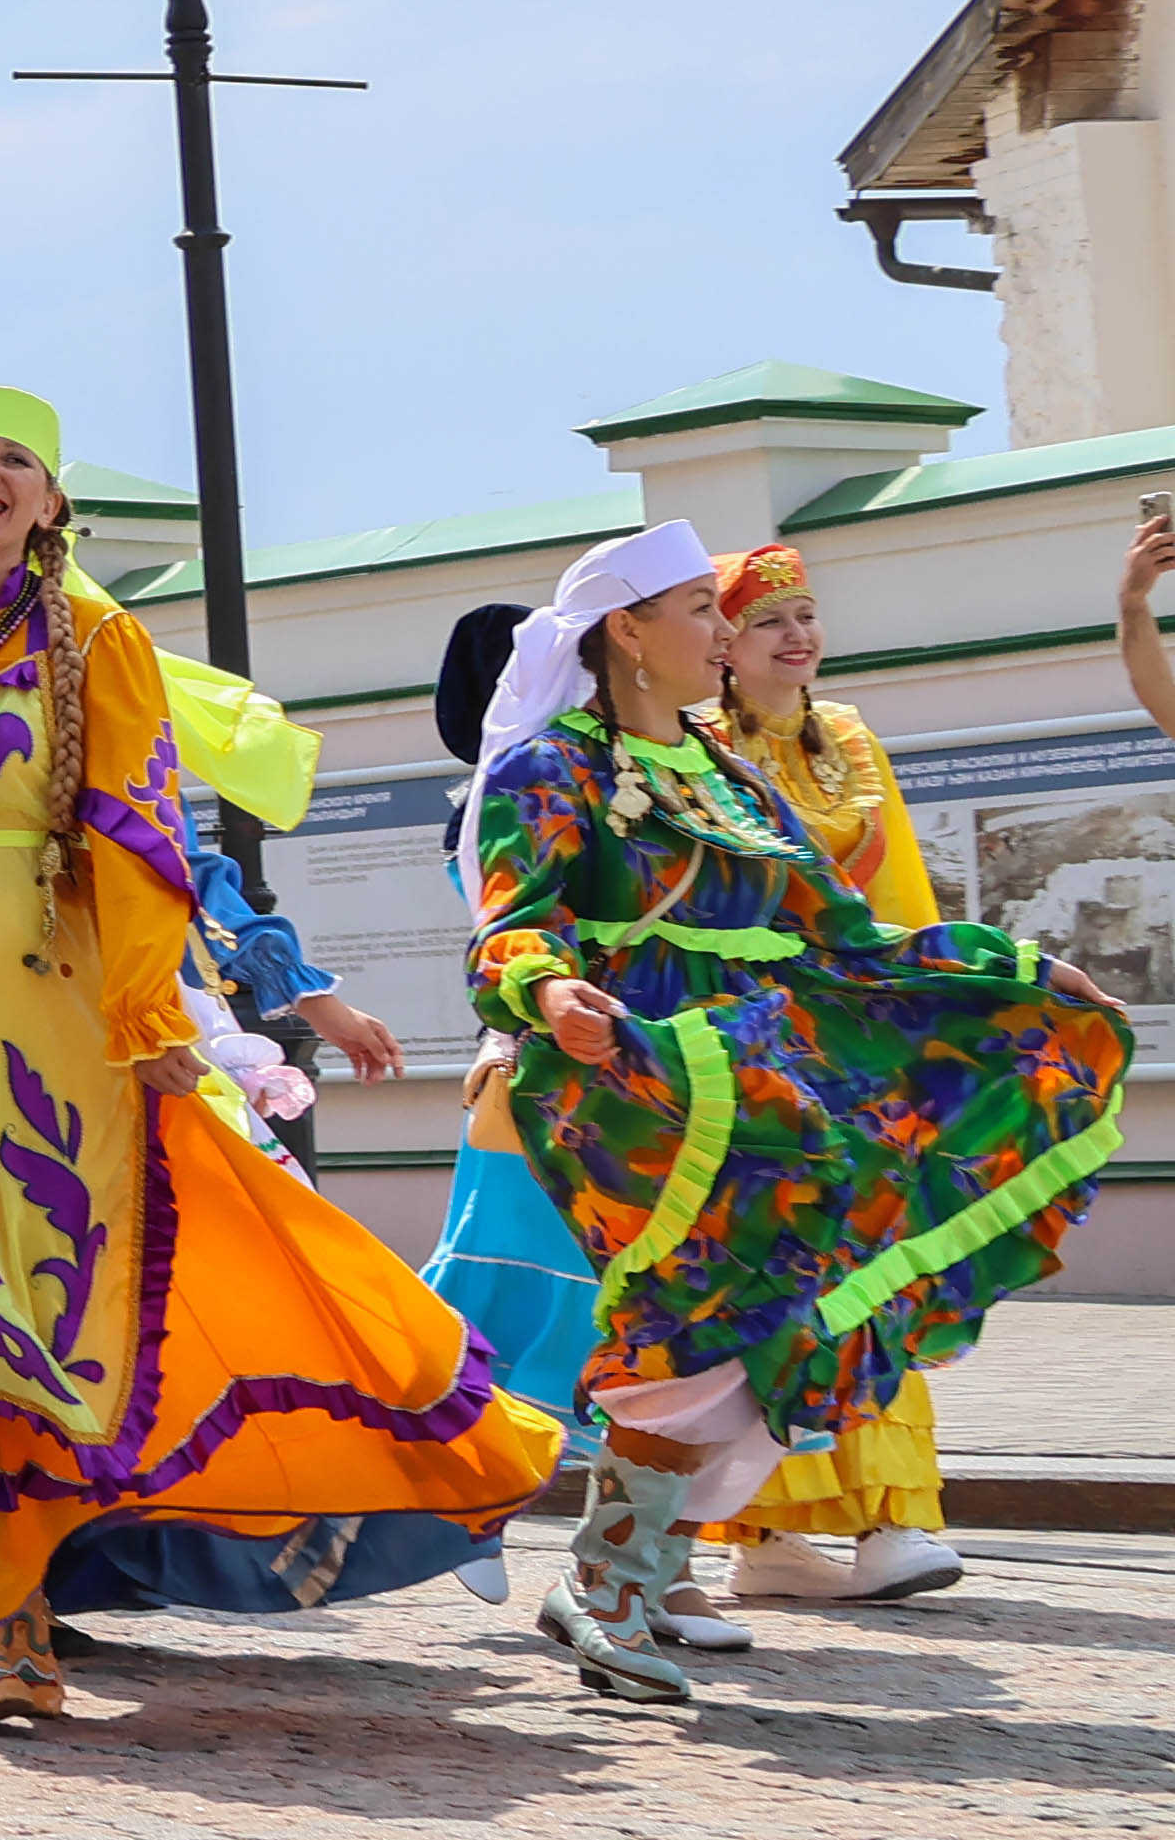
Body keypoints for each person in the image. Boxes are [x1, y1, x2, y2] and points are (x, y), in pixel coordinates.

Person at [0, 394, 552, 1733]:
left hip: (54, 1011)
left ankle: (73, 1567)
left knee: (68, 1304)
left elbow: (137, 840)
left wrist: (147, 1020)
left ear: (52, 507)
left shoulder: (100, 641)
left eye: (19, 461)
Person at [459, 519, 1128, 1703]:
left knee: (764, 1309)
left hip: (768, 1069)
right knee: (690, 1305)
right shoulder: (550, 766)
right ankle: (611, 1579)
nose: (724, 635)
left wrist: (1008, 964)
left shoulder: (726, 770)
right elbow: (511, 922)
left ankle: (646, 1570)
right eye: (701, 611)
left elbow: (847, 932)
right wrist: (548, 983)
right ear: (628, 628)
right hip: (638, 1064)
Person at [690, 541, 967, 1608]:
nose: (797, 635)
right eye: (770, 620)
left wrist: (924, 1013)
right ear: (722, 641)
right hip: (759, 1043)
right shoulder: (694, 751)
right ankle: (765, 1528)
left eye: (805, 615)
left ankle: (891, 1514)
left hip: (857, 1039)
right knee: (776, 1277)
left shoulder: (848, 734)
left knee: (874, 1265)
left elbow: (898, 883)